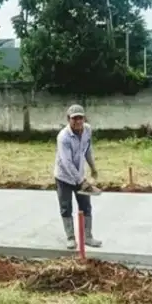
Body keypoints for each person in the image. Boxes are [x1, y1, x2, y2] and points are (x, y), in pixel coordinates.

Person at [53, 104, 102, 250]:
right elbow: (66, 163)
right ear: (68, 119)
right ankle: (70, 238)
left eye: (80, 118)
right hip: (64, 177)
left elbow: (87, 149)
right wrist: (82, 181)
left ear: (84, 118)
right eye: (74, 119)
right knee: (66, 207)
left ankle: (88, 237)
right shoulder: (63, 137)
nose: (78, 121)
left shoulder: (87, 130)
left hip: (80, 175)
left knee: (86, 206)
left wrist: (93, 168)